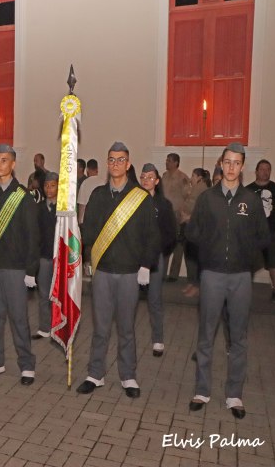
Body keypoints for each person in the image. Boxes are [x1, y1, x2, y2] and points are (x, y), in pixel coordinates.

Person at [186, 142, 270, 419]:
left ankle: (234, 395)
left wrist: (245, 256)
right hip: (211, 275)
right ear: (221, 164)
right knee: (206, 334)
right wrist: (210, 249)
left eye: (236, 162)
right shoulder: (207, 198)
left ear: (242, 166)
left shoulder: (252, 200)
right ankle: (202, 390)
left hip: (240, 278)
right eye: (227, 162)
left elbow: (263, 237)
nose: (231, 167)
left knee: (238, 338)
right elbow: (194, 232)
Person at [76, 142, 160, 398]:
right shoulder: (98, 195)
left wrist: (146, 264)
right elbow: (88, 230)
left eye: (120, 160)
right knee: (100, 327)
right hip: (103, 271)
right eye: (111, 160)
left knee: (126, 327)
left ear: (128, 163)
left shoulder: (141, 198)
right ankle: (95, 374)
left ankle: (128, 376)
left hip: (128, 273)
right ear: (107, 163)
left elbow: (152, 236)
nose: (115, 164)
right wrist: (84, 251)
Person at [0, 143, 39, 386]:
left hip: (16, 268)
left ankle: (26, 365)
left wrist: (31, 270)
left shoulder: (22, 196)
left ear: (13, 164)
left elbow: (33, 235)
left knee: (19, 318)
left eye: (4, 160)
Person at [138, 164, 176, 357]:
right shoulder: (132, 202)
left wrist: (158, 250)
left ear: (157, 181)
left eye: (150, 177)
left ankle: (157, 339)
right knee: (128, 300)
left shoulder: (163, 205)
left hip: (154, 258)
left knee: (154, 300)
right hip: (133, 257)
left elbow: (171, 233)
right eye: (143, 177)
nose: (146, 180)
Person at [246, 160, 275, 302]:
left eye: (268, 169)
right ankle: (243, 290)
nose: (265, 171)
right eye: (262, 169)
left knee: (274, 262)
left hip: (271, 233)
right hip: (252, 235)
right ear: (256, 171)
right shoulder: (248, 190)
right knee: (248, 262)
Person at [34, 171, 58, 340]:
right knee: (43, 293)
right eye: (46, 186)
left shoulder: (64, 209)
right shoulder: (39, 208)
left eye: (52, 185)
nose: (49, 189)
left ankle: (58, 326)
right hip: (43, 257)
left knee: (58, 295)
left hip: (59, 257)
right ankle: (44, 327)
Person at [179, 169, 210, 298]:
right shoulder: (194, 188)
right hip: (189, 225)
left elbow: (199, 210)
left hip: (196, 227)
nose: (191, 177)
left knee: (197, 258)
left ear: (199, 177)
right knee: (189, 256)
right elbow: (185, 199)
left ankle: (198, 285)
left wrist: (188, 217)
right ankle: (192, 282)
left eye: (193, 175)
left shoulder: (202, 189)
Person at [161, 153, 191, 281]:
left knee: (178, 245)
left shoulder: (182, 178)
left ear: (176, 163)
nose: (167, 162)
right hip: (165, 214)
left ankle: (173, 274)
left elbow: (188, 196)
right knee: (165, 242)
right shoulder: (164, 176)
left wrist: (184, 213)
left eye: (169, 161)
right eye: (166, 160)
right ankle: (161, 273)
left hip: (177, 213)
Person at [77, 159, 105, 226]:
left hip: (87, 220)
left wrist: (80, 222)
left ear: (87, 169)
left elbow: (82, 205)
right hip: (100, 220)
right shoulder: (103, 182)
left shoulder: (85, 183)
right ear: (97, 169)